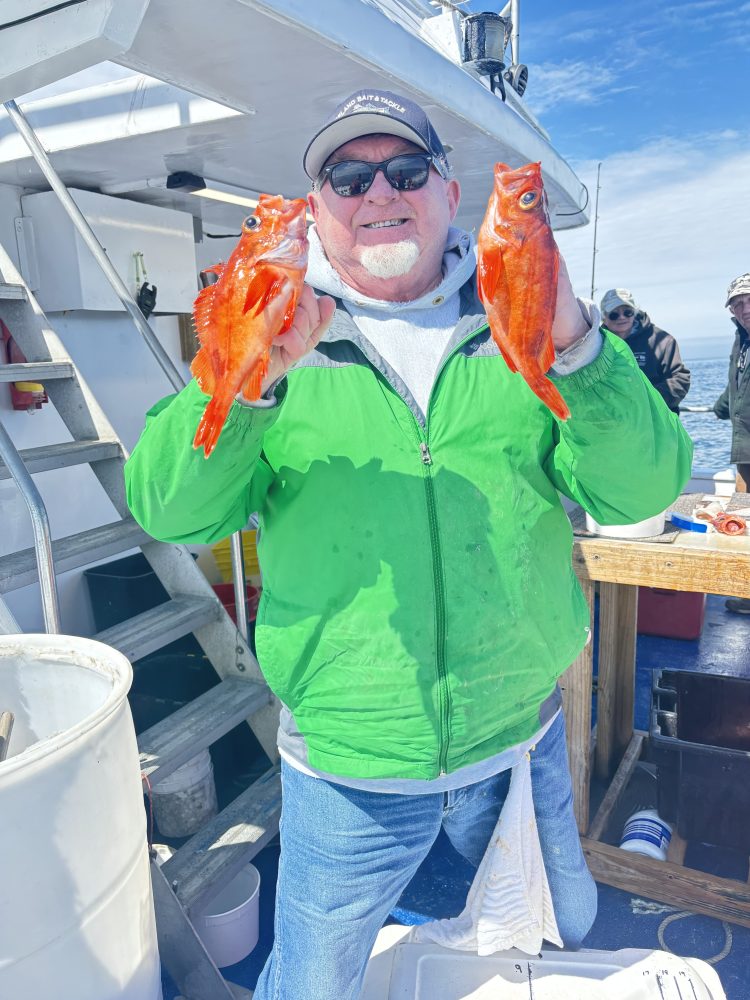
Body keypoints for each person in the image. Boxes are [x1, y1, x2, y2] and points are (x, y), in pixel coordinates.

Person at [125, 89, 692, 999]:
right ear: (318, 210)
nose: (377, 191)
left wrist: (576, 343)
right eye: (347, 176)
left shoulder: (522, 319)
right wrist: (252, 384)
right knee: (312, 982)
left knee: (555, 943)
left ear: (447, 190)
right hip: (349, 769)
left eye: (405, 169)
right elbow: (170, 509)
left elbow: (641, 489)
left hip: (521, 744)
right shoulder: (274, 332)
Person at [713, 271, 750, 614]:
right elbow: (738, 382)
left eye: (749, 299)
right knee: (747, 519)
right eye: (738, 303)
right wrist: (722, 407)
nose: (745, 308)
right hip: (745, 445)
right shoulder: (741, 341)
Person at [599, 288, 691, 413]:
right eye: (614, 314)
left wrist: (645, 398)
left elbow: (680, 380)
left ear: (635, 312)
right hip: (612, 421)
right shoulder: (595, 345)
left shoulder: (663, 341)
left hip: (655, 420)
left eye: (628, 312)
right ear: (603, 317)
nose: (622, 317)